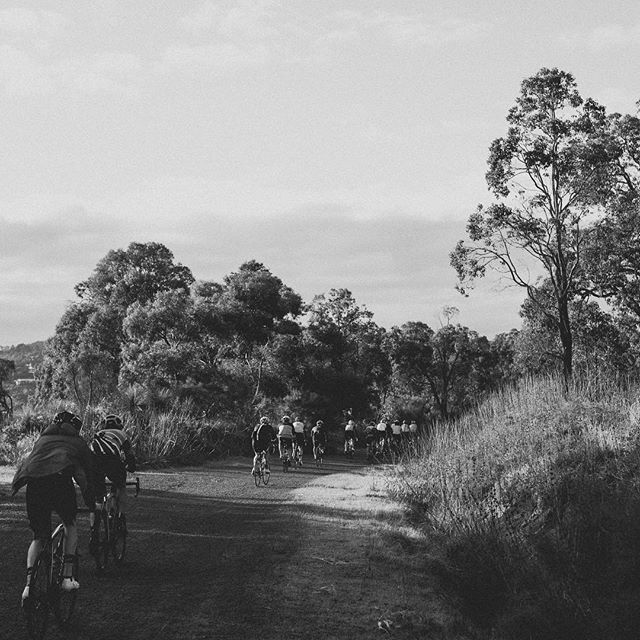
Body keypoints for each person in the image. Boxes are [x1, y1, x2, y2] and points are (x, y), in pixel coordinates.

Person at [12, 410, 95, 603]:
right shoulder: (78, 443)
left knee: (39, 536)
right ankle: (66, 578)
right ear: (75, 427)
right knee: (70, 524)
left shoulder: (41, 441)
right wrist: (91, 501)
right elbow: (84, 475)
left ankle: (28, 586)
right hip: (59, 483)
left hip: (34, 485)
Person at [90, 414, 136, 544]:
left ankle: (94, 528)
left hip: (94, 462)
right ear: (119, 426)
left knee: (98, 498)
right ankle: (120, 516)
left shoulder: (97, 434)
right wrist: (130, 466)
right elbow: (129, 454)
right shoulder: (121, 434)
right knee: (120, 486)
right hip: (112, 461)